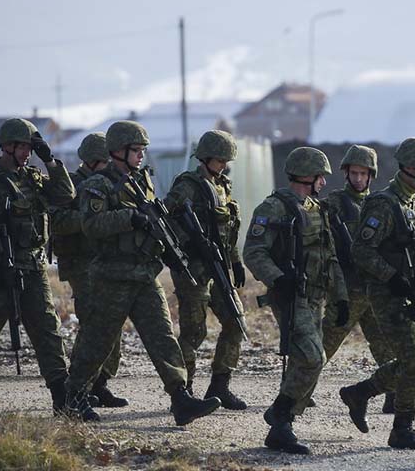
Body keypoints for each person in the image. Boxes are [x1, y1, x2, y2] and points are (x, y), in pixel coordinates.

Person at [63, 120, 221, 425]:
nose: (140, 156)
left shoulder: (141, 181)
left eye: (142, 150)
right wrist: (130, 218)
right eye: (135, 150)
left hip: (144, 274)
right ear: (118, 151)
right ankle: (74, 397)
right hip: (111, 275)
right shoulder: (99, 184)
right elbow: (91, 226)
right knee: (98, 340)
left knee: (163, 338)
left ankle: (180, 398)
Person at [0, 118, 74, 417]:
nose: (26, 153)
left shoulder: (32, 177)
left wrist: (50, 160)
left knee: (47, 329)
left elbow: (65, 195)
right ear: (6, 146)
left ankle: (63, 398)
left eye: (30, 148)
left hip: (32, 267)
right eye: (22, 147)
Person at [339, 137, 415, 450]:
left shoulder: (413, 204)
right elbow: (361, 250)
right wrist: (394, 278)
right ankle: (402, 428)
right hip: (386, 295)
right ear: (411, 168)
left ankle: (359, 394)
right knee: (414, 359)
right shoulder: (384, 204)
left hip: (410, 293)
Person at [243, 146, 349, 455]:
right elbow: (253, 251)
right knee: (312, 357)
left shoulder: (317, 209)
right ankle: (281, 414)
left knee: (311, 360)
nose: (324, 183)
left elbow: (330, 258)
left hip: (315, 297)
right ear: (307, 176)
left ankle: (281, 425)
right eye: (321, 177)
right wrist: (278, 278)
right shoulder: (273, 208)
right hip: (291, 296)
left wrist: (340, 298)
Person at [163, 130, 247, 409]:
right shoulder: (187, 185)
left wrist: (235, 261)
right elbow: (167, 222)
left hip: (219, 265)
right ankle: (183, 392)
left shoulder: (223, 186)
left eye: (226, 160)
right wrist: (191, 244)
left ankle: (220, 385)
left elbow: (226, 232)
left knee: (236, 323)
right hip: (194, 270)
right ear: (206, 157)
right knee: (194, 333)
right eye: (220, 159)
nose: (224, 164)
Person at [50, 132, 126, 408]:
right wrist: (90, 218)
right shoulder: (70, 185)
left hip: (105, 261)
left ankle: (100, 382)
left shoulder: (111, 183)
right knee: (94, 325)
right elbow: (57, 221)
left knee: (112, 325)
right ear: (95, 161)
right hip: (81, 264)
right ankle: (79, 385)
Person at [320, 145, 395, 412]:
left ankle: (393, 394)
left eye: (364, 173)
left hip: (374, 288)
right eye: (354, 173)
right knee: (324, 343)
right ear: (346, 173)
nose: (359, 179)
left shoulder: (379, 204)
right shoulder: (334, 204)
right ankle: (297, 389)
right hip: (348, 289)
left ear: (371, 175)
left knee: (386, 345)